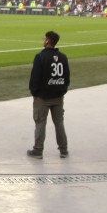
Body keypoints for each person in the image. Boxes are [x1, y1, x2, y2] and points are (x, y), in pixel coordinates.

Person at [27, 30, 69, 158]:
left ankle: (38, 150)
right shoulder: (63, 57)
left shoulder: (40, 57)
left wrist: (34, 93)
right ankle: (63, 150)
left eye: (44, 39)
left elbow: (35, 78)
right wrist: (62, 91)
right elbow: (66, 77)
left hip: (43, 97)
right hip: (58, 96)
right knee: (59, 123)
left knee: (40, 123)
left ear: (47, 41)